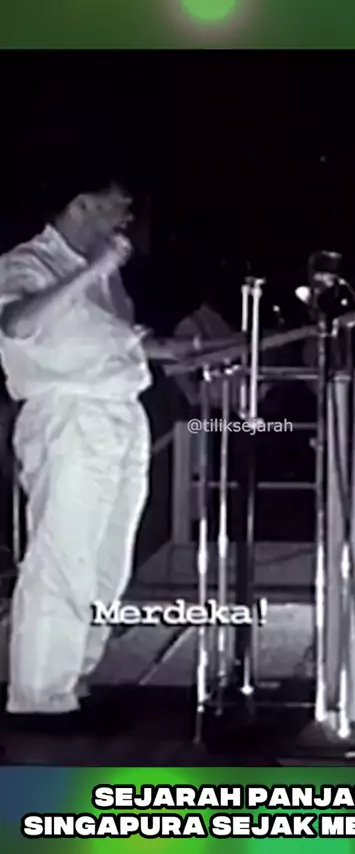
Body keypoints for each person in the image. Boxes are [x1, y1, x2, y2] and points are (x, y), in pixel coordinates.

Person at [0, 179, 197, 734]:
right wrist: (93, 270)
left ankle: (75, 679)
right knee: (62, 557)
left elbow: (105, 340)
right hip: (69, 416)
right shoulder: (26, 262)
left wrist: (165, 348)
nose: (126, 219)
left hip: (120, 414)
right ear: (80, 203)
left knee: (108, 562)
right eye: (118, 207)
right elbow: (18, 323)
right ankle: (39, 696)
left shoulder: (104, 273)